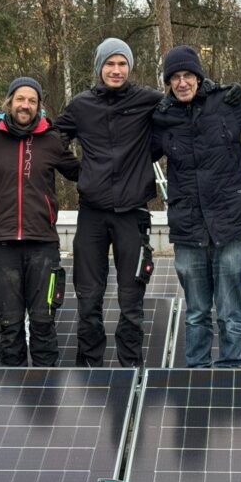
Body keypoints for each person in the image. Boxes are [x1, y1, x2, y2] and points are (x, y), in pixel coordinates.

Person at [151, 45, 241, 369]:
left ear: (198, 76)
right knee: (196, 312)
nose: (182, 82)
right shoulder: (162, 117)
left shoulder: (226, 103)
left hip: (231, 224)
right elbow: (130, 146)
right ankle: (197, 374)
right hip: (189, 227)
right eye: (174, 77)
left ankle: (230, 369)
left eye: (187, 75)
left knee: (230, 311)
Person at [54, 38, 163, 367]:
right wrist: (80, 172)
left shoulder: (149, 100)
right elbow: (51, 138)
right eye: (110, 64)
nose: (116, 70)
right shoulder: (80, 105)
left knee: (132, 298)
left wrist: (144, 160)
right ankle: (90, 366)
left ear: (130, 67)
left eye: (122, 64)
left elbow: (184, 111)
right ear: (100, 67)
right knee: (88, 296)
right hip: (92, 214)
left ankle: (130, 368)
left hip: (132, 214)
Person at [0, 77, 80, 366]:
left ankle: (45, 395)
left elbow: (82, 173)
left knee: (44, 323)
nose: (26, 105)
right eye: (20, 99)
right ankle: (14, 396)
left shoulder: (51, 140)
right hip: (3, 244)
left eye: (32, 101)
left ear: (39, 106)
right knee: (9, 327)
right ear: (8, 102)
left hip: (44, 246)